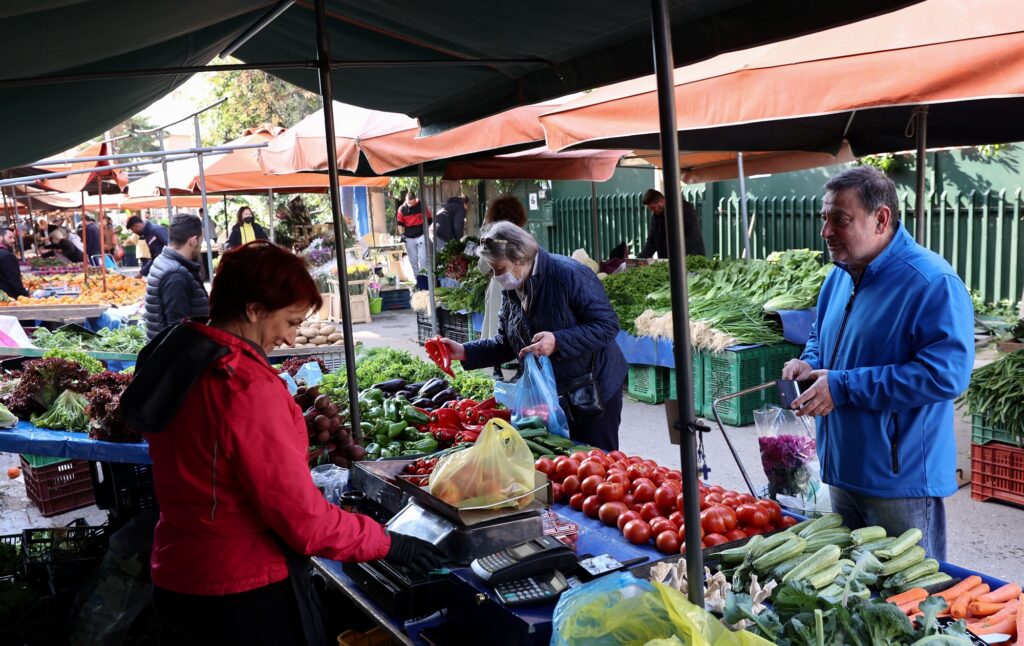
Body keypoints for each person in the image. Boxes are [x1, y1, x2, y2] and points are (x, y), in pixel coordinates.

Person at [120, 241, 443, 645]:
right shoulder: (244, 386)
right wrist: (388, 542)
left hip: (179, 571)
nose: (291, 339)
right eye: (290, 322)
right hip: (240, 592)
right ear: (254, 310)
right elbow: (303, 522)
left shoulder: (178, 357)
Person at [781, 166, 974, 561]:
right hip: (841, 469)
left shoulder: (931, 282)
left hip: (898, 483)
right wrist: (809, 362)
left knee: (908, 602)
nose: (826, 231)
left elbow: (945, 375)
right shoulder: (839, 275)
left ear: (881, 219)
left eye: (841, 219)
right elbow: (822, 335)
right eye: (825, 218)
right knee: (854, 595)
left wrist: (844, 386)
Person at [440, 221, 627, 450]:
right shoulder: (513, 288)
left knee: (597, 463)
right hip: (553, 395)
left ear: (519, 258)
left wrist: (558, 341)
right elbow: (507, 343)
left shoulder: (568, 274)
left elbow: (607, 325)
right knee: (562, 465)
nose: (496, 276)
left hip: (594, 388)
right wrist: (464, 351)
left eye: (499, 269)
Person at [479, 195, 529, 377]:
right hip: (519, 282)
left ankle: (497, 368)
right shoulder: (522, 236)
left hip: (498, 283)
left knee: (496, 325)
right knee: (519, 325)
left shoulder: (491, 237)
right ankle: (521, 366)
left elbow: (482, 267)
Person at [144, 214, 211, 340]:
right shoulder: (176, 276)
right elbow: (177, 332)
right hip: (177, 356)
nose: (200, 246)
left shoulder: (163, 260)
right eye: (201, 241)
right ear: (193, 241)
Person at [638, 189, 705, 258]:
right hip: (670, 261)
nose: (652, 211)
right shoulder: (656, 217)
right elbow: (652, 242)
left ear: (661, 201)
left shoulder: (684, 210)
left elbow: (691, 237)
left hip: (689, 257)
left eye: (653, 208)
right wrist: (640, 259)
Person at [396, 191, 431, 277]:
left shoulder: (422, 206)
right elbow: (400, 224)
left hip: (421, 235)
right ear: (405, 200)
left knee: (423, 258)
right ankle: (417, 279)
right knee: (413, 260)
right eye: (409, 203)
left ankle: (424, 278)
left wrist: (429, 231)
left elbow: (429, 219)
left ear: (415, 200)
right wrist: (402, 234)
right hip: (409, 237)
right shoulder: (401, 209)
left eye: (412, 203)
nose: (410, 205)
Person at [0, 226, 28, 299]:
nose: (13, 240)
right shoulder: (7, 255)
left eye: (14, 238)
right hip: (8, 297)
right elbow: (14, 279)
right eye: (10, 237)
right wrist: (25, 295)